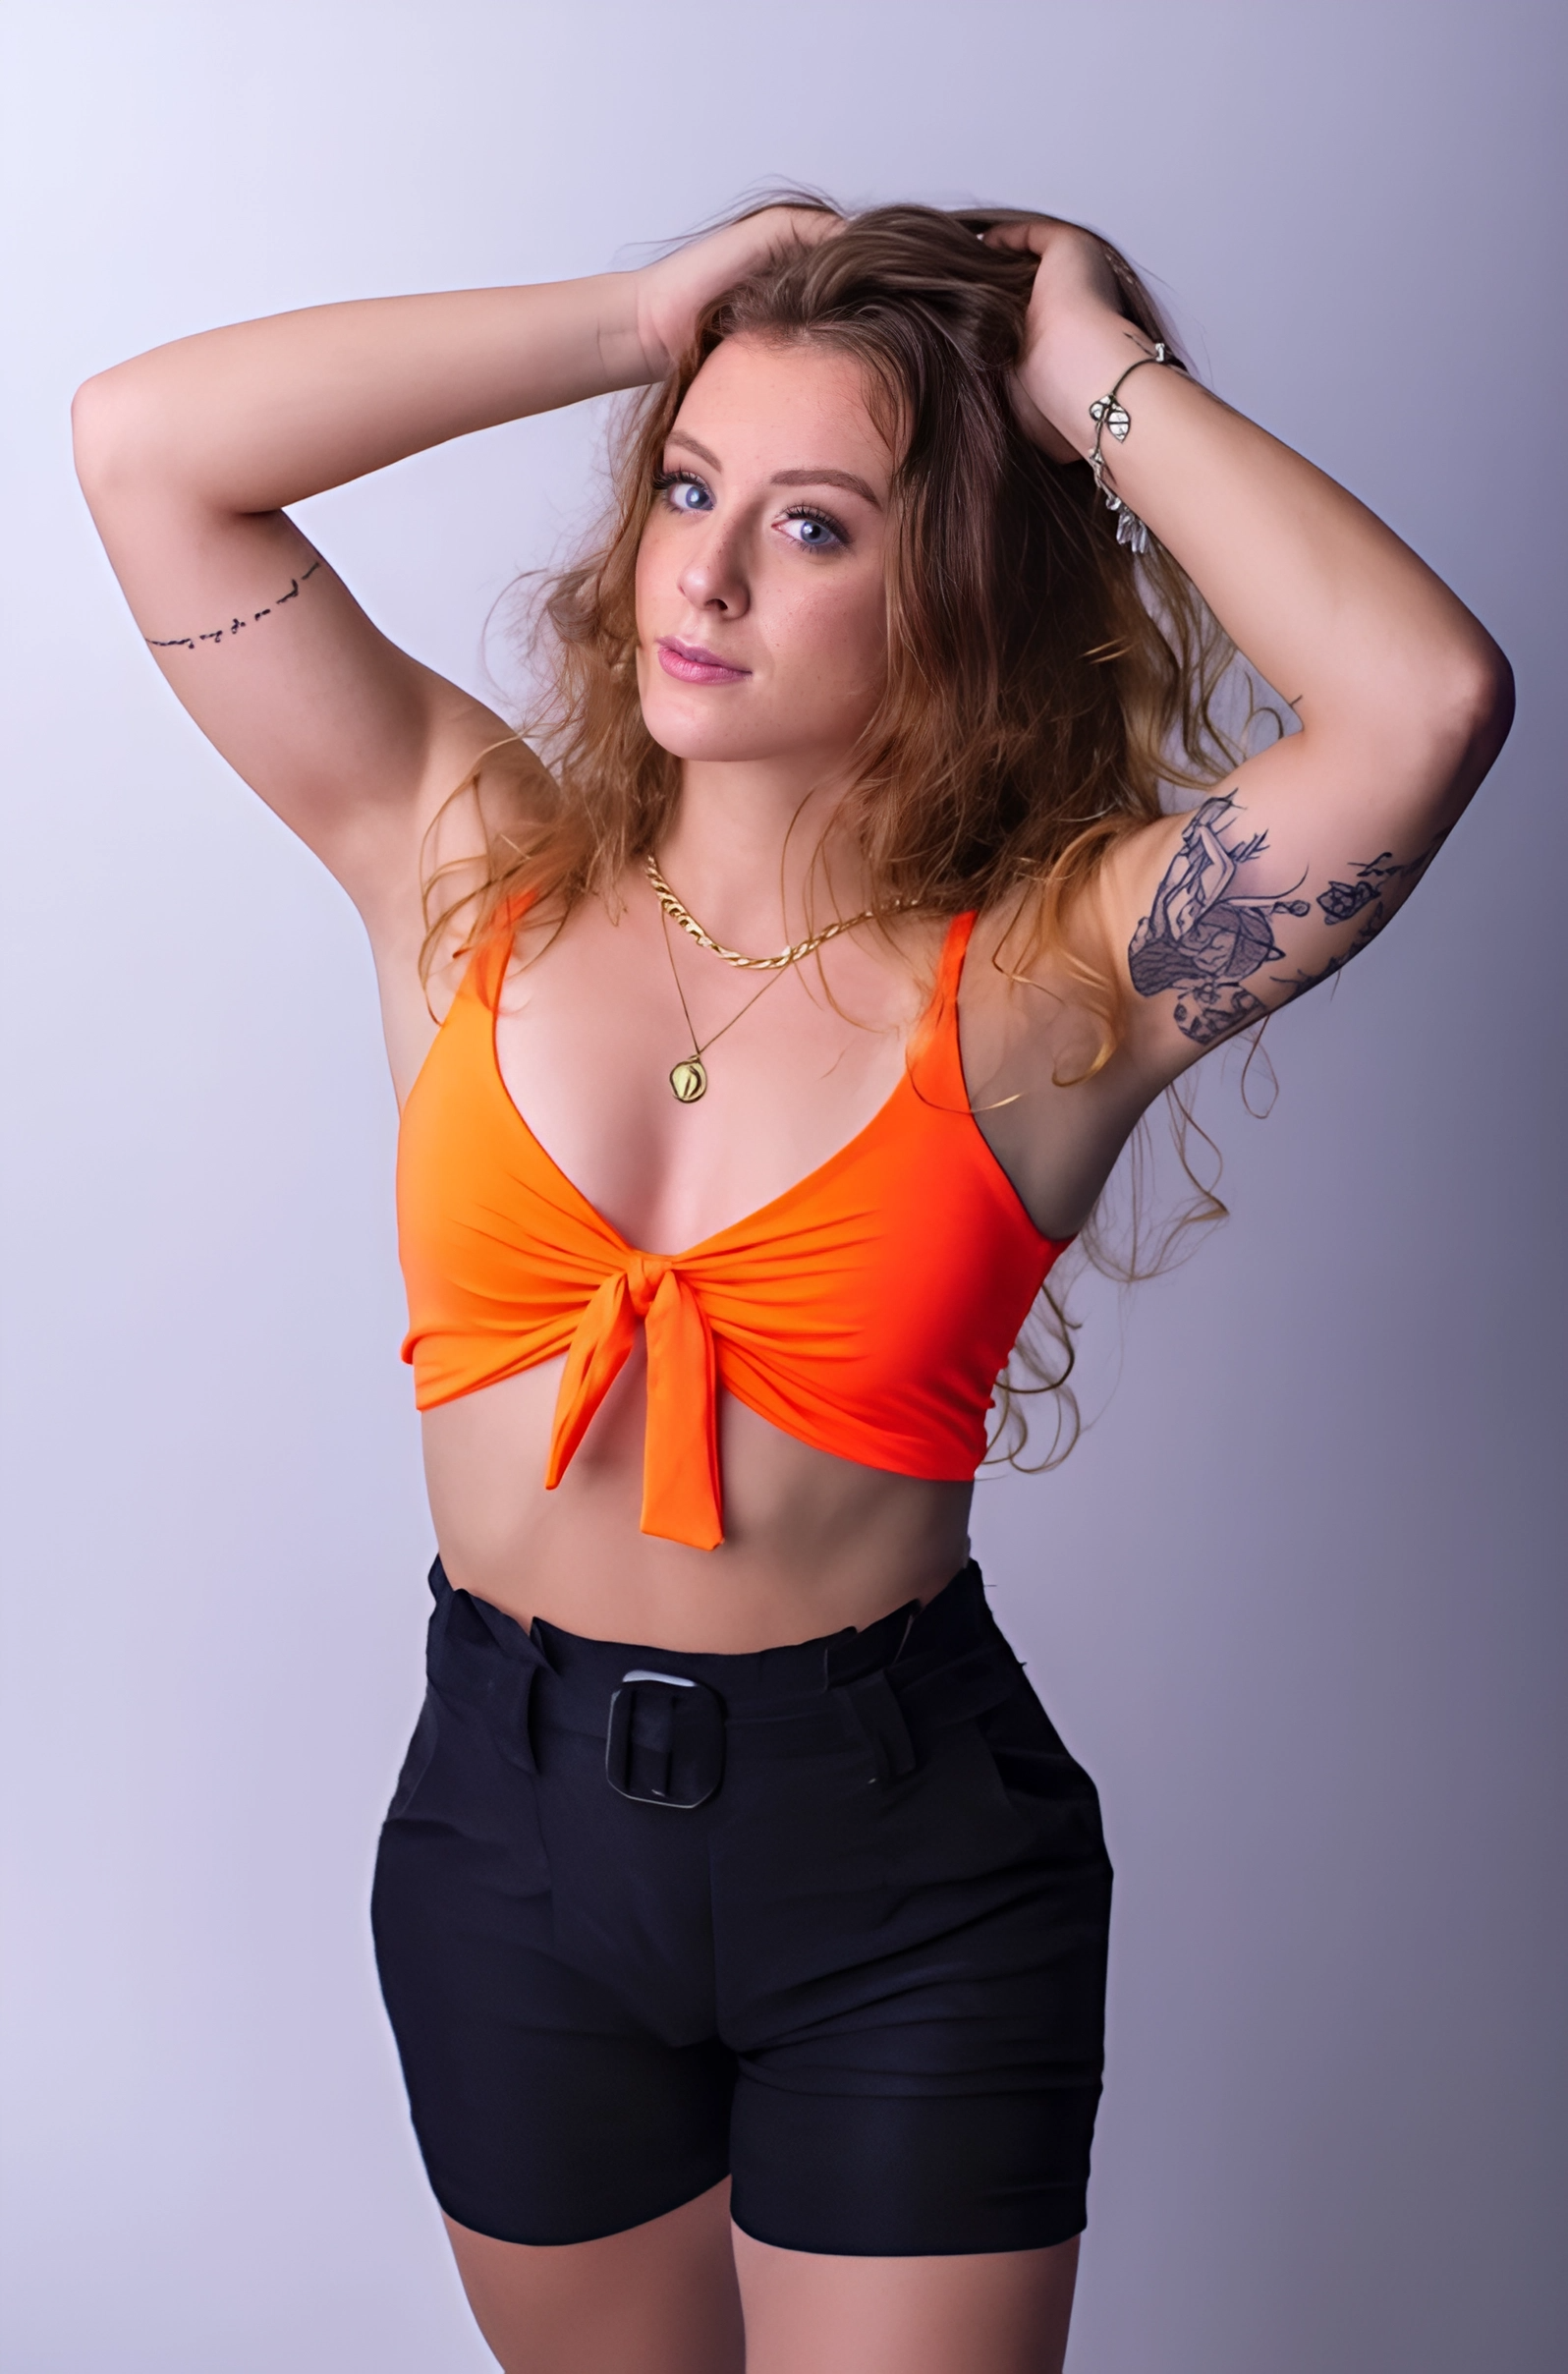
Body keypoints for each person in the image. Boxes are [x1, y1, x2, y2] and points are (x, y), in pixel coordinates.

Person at [72, 199, 1511, 2374]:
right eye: (686, 487)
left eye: (815, 523)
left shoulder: (1054, 987)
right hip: (505, 1839)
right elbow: (145, 446)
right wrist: (643, 317)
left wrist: (1085, 375)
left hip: (900, 1869)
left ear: (960, 590)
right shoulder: (463, 868)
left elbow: (1424, 705)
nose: (706, 575)